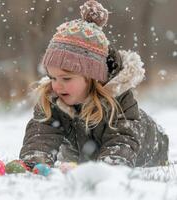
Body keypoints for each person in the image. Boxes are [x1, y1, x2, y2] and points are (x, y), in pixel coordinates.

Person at [19, 0, 169, 168]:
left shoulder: (120, 102)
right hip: (87, 154)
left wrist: (109, 167)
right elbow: (42, 133)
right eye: (52, 78)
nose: (57, 86)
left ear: (92, 77)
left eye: (66, 78)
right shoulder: (53, 99)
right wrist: (34, 160)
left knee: (133, 128)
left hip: (149, 146)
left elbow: (122, 140)